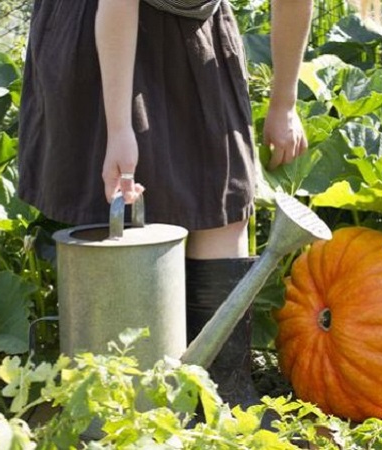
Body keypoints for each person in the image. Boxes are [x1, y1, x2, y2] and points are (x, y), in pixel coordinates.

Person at [17, 0, 313, 412]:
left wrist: (284, 103)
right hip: (103, 32)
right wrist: (119, 130)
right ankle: (123, 408)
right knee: (121, 198)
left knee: (222, 199)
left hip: (195, 27)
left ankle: (222, 399)